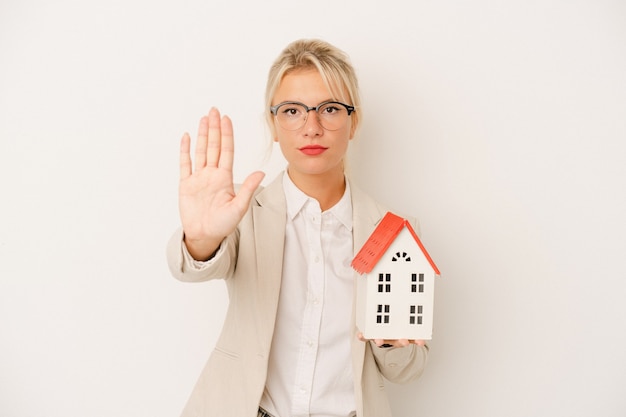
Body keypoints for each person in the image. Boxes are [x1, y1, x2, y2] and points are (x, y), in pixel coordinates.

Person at [166, 38, 429, 417]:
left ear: (353, 122)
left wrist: (393, 344)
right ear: (273, 124)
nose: (312, 127)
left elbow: (408, 369)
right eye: (292, 111)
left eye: (330, 109)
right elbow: (191, 265)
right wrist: (202, 237)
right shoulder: (242, 212)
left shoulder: (393, 233)